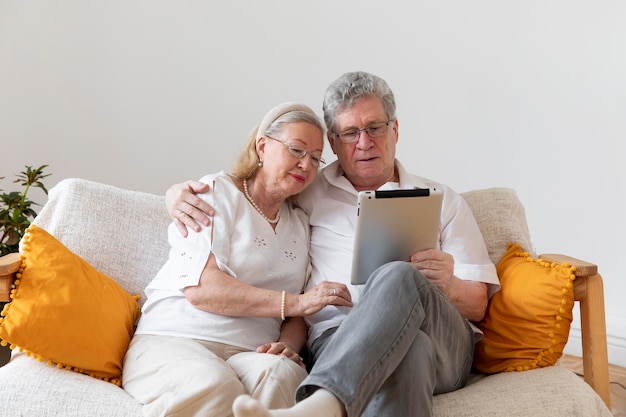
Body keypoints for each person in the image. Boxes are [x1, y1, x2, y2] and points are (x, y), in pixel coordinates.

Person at [165, 72, 500, 417]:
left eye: (375, 128)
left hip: (444, 341)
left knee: (398, 274)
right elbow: (255, 188)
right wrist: (175, 195)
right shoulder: (308, 189)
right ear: (334, 142)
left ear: (395, 130)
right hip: (337, 338)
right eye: (350, 133)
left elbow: (477, 306)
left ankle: (322, 403)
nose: (364, 142)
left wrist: (448, 284)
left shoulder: (444, 200)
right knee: (409, 351)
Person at [122, 102, 352, 417]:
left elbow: (299, 315)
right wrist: (297, 303)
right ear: (262, 146)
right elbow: (203, 289)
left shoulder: (300, 223)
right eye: (297, 150)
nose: (306, 165)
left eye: (315, 158)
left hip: (250, 352)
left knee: (282, 375)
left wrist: (288, 345)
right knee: (216, 385)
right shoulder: (215, 192)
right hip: (176, 340)